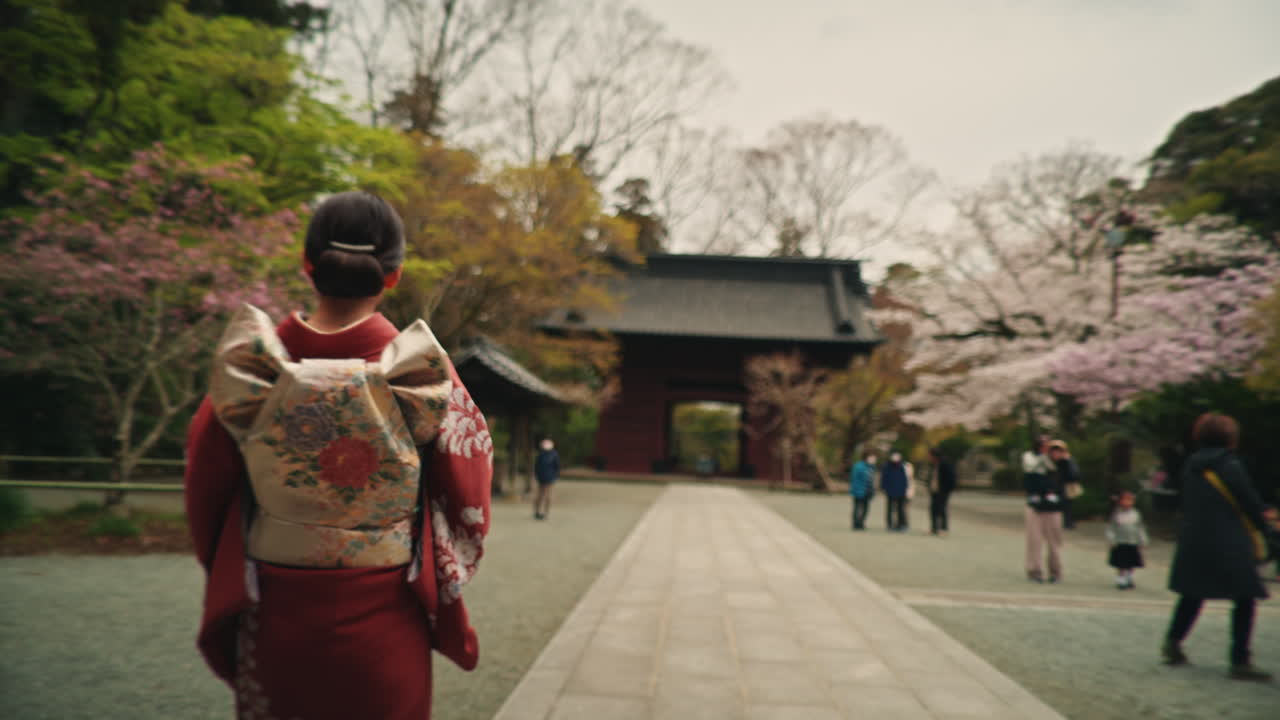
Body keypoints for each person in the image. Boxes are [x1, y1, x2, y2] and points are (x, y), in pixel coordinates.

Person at [184, 191, 494, 718]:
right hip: (386, 609)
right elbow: (468, 491)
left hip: (274, 604)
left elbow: (204, 486)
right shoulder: (426, 375)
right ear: (392, 275)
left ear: (308, 265)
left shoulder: (251, 369)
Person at [1162, 413, 1272, 681]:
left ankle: (1173, 643)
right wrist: (1266, 529)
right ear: (1231, 437)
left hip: (1195, 538)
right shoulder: (1230, 465)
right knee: (1244, 599)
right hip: (1229, 540)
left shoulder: (1191, 464)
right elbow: (1249, 502)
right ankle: (1240, 660)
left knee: (1192, 593)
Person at [1023, 435, 1064, 583]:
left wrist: (1063, 458)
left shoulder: (1061, 463)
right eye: (1043, 446)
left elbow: (1071, 477)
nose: (1046, 449)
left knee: (1054, 543)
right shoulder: (1030, 459)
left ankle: (1056, 572)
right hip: (1036, 506)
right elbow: (1030, 476)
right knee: (1034, 542)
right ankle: (1035, 572)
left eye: (1049, 446)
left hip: (1053, 508)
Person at [1106, 490, 1148, 589]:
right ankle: (1121, 580)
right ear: (1120, 501)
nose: (1127, 502)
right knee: (1121, 563)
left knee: (1132, 562)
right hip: (1120, 542)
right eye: (1125, 500)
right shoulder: (1116, 514)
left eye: (1130, 500)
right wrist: (1111, 539)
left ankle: (1129, 578)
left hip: (1133, 542)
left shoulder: (1136, 514)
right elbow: (1111, 528)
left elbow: (1140, 527)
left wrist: (1143, 540)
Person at [1048, 439, 1081, 529]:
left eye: (1058, 451)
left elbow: (1075, 475)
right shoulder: (1050, 462)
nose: (1055, 454)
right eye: (1053, 452)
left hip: (1066, 489)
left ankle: (1068, 523)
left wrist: (1067, 461)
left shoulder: (1068, 461)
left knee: (1067, 507)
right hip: (1054, 490)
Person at [928, 447, 957, 536]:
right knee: (933, 509)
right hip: (934, 490)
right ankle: (934, 528)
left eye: (930, 455)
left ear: (934, 455)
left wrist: (947, 489)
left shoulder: (945, 463)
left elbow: (951, 477)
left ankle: (944, 528)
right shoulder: (934, 464)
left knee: (942, 509)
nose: (928, 457)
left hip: (943, 491)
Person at [881, 452, 910, 532]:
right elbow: (884, 479)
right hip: (890, 491)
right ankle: (890, 524)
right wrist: (884, 488)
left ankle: (900, 524)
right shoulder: (887, 467)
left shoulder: (901, 467)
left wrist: (905, 489)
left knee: (900, 509)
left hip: (900, 491)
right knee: (890, 508)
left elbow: (904, 480)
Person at [849, 450, 877, 530]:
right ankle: (856, 524)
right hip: (859, 491)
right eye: (872, 458)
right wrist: (855, 490)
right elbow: (854, 479)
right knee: (857, 508)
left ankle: (861, 523)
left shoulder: (872, 467)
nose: (874, 460)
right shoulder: (858, 466)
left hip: (868, 492)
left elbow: (872, 481)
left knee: (866, 509)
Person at [533, 437, 560, 520]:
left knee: (542, 495)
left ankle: (539, 511)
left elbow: (536, 467)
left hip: (544, 477)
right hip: (548, 477)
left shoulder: (541, 455)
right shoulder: (554, 454)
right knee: (546, 495)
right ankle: (544, 512)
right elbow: (557, 467)